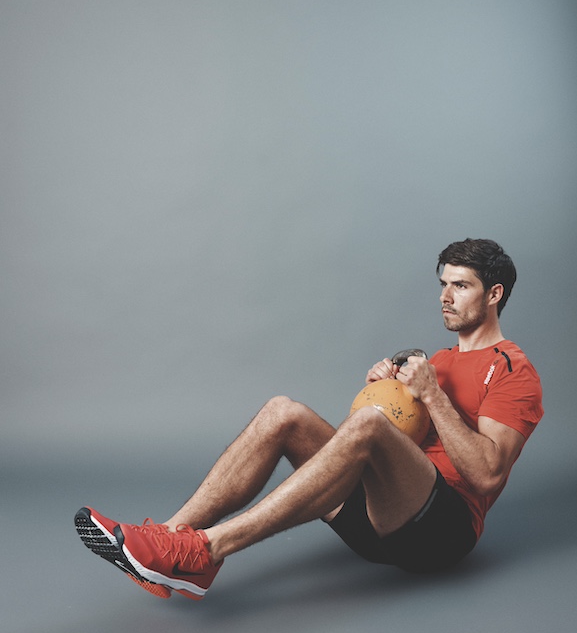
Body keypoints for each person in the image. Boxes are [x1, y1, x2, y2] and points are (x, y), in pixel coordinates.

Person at [75, 238, 543, 601]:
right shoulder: (436, 361)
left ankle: (207, 550)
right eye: (443, 283)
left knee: (368, 426)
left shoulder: (512, 369)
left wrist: (430, 397)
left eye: (461, 286)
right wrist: (383, 391)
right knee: (284, 411)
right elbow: (401, 435)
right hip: (379, 519)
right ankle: (167, 542)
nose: (445, 296)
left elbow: (487, 473)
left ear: (494, 294)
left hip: (438, 533)